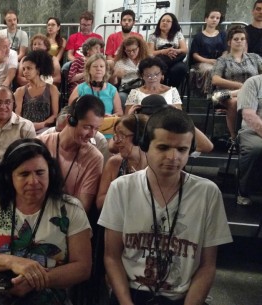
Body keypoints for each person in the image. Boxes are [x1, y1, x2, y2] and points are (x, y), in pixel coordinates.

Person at [98, 107, 233, 305]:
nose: (173, 157)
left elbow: (207, 265)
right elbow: (112, 257)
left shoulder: (208, 193)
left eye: (182, 149)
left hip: (183, 297)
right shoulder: (121, 188)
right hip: (132, 294)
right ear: (145, 145)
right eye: (163, 148)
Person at [0, 138, 93, 305]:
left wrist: (37, 279)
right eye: (24, 174)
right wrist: (14, 262)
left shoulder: (70, 208)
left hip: (49, 287)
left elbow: (82, 267)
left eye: (40, 172)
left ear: (50, 172)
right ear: (9, 177)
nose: (33, 181)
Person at [38, 95, 104, 211]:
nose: (92, 134)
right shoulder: (40, 144)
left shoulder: (95, 158)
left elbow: (82, 208)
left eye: (96, 128)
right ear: (70, 120)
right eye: (87, 127)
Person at [211, 26, 262, 144]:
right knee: (235, 102)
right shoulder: (222, 60)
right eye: (236, 39)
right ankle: (234, 138)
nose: (239, 41)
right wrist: (241, 86)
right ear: (229, 42)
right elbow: (215, 80)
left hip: (252, 94)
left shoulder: (254, 58)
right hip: (228, 96)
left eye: (242, 39)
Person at [96, 114, 148, 209]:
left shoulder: (155, 166)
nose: (116, 141)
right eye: (116, 136)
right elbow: (100, 203)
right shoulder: (114, 163)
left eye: (122, 136)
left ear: (139, 137)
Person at [14, 50, 59, 133]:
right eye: (23, 69)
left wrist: (41, 125)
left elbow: (55, 115)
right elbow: (17, 116)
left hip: (46, 130)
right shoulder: (20, 91)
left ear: (38, 70)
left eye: (29, 68)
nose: (25, 72)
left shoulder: (52, 89)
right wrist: (28, 126)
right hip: (25, 129)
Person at [68, 53, 123, 119]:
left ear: (106, 70)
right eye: (95, 66)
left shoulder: (112, 90)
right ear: (88, 69)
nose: (98, 69)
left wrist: (112, 116)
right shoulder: (80, 88)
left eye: (101, 66)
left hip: (106, 124)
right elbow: (70, 111)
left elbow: (119, 113)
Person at [236, 74, 262, 205]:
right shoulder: (253, 82)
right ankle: (244, 191)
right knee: (256, 148)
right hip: (253, 130)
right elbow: (249, 115)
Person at [189, 10, 227, 97]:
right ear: (206, 19)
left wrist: (220, 60)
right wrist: (208, 61)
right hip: (202, 62)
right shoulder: (198, 36)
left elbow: (226, 51)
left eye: (217, 18)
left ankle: (224, 95)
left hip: (219, 62)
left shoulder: (222, 35)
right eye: (212, 17)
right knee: (211, 70)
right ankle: (210, 95)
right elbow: (195, 54)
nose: (215, 20)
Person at [147, 13, 188, 89]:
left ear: (173, 24)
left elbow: (184, 50)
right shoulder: (153, 36)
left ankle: (171, 90)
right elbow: (150, 53)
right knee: (159, 61)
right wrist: (164, 51)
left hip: (175, 58)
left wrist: (173, 50)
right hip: (160, 58)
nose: (165, 22)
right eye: (163, 21)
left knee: (181, 66)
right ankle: (163, 85)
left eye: (168, 21)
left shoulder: (178, 34)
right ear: (159, 23)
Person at [112, 36, 150, 107]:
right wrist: (115, 75)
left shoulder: (147, 59)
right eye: (128, 51)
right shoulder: (120, 62)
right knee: (121, 96)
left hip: (144, 88)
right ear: (124, 50)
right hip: (127, 89)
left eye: (134, 50)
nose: (131, 53)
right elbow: (115, 82)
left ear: (139, 48)